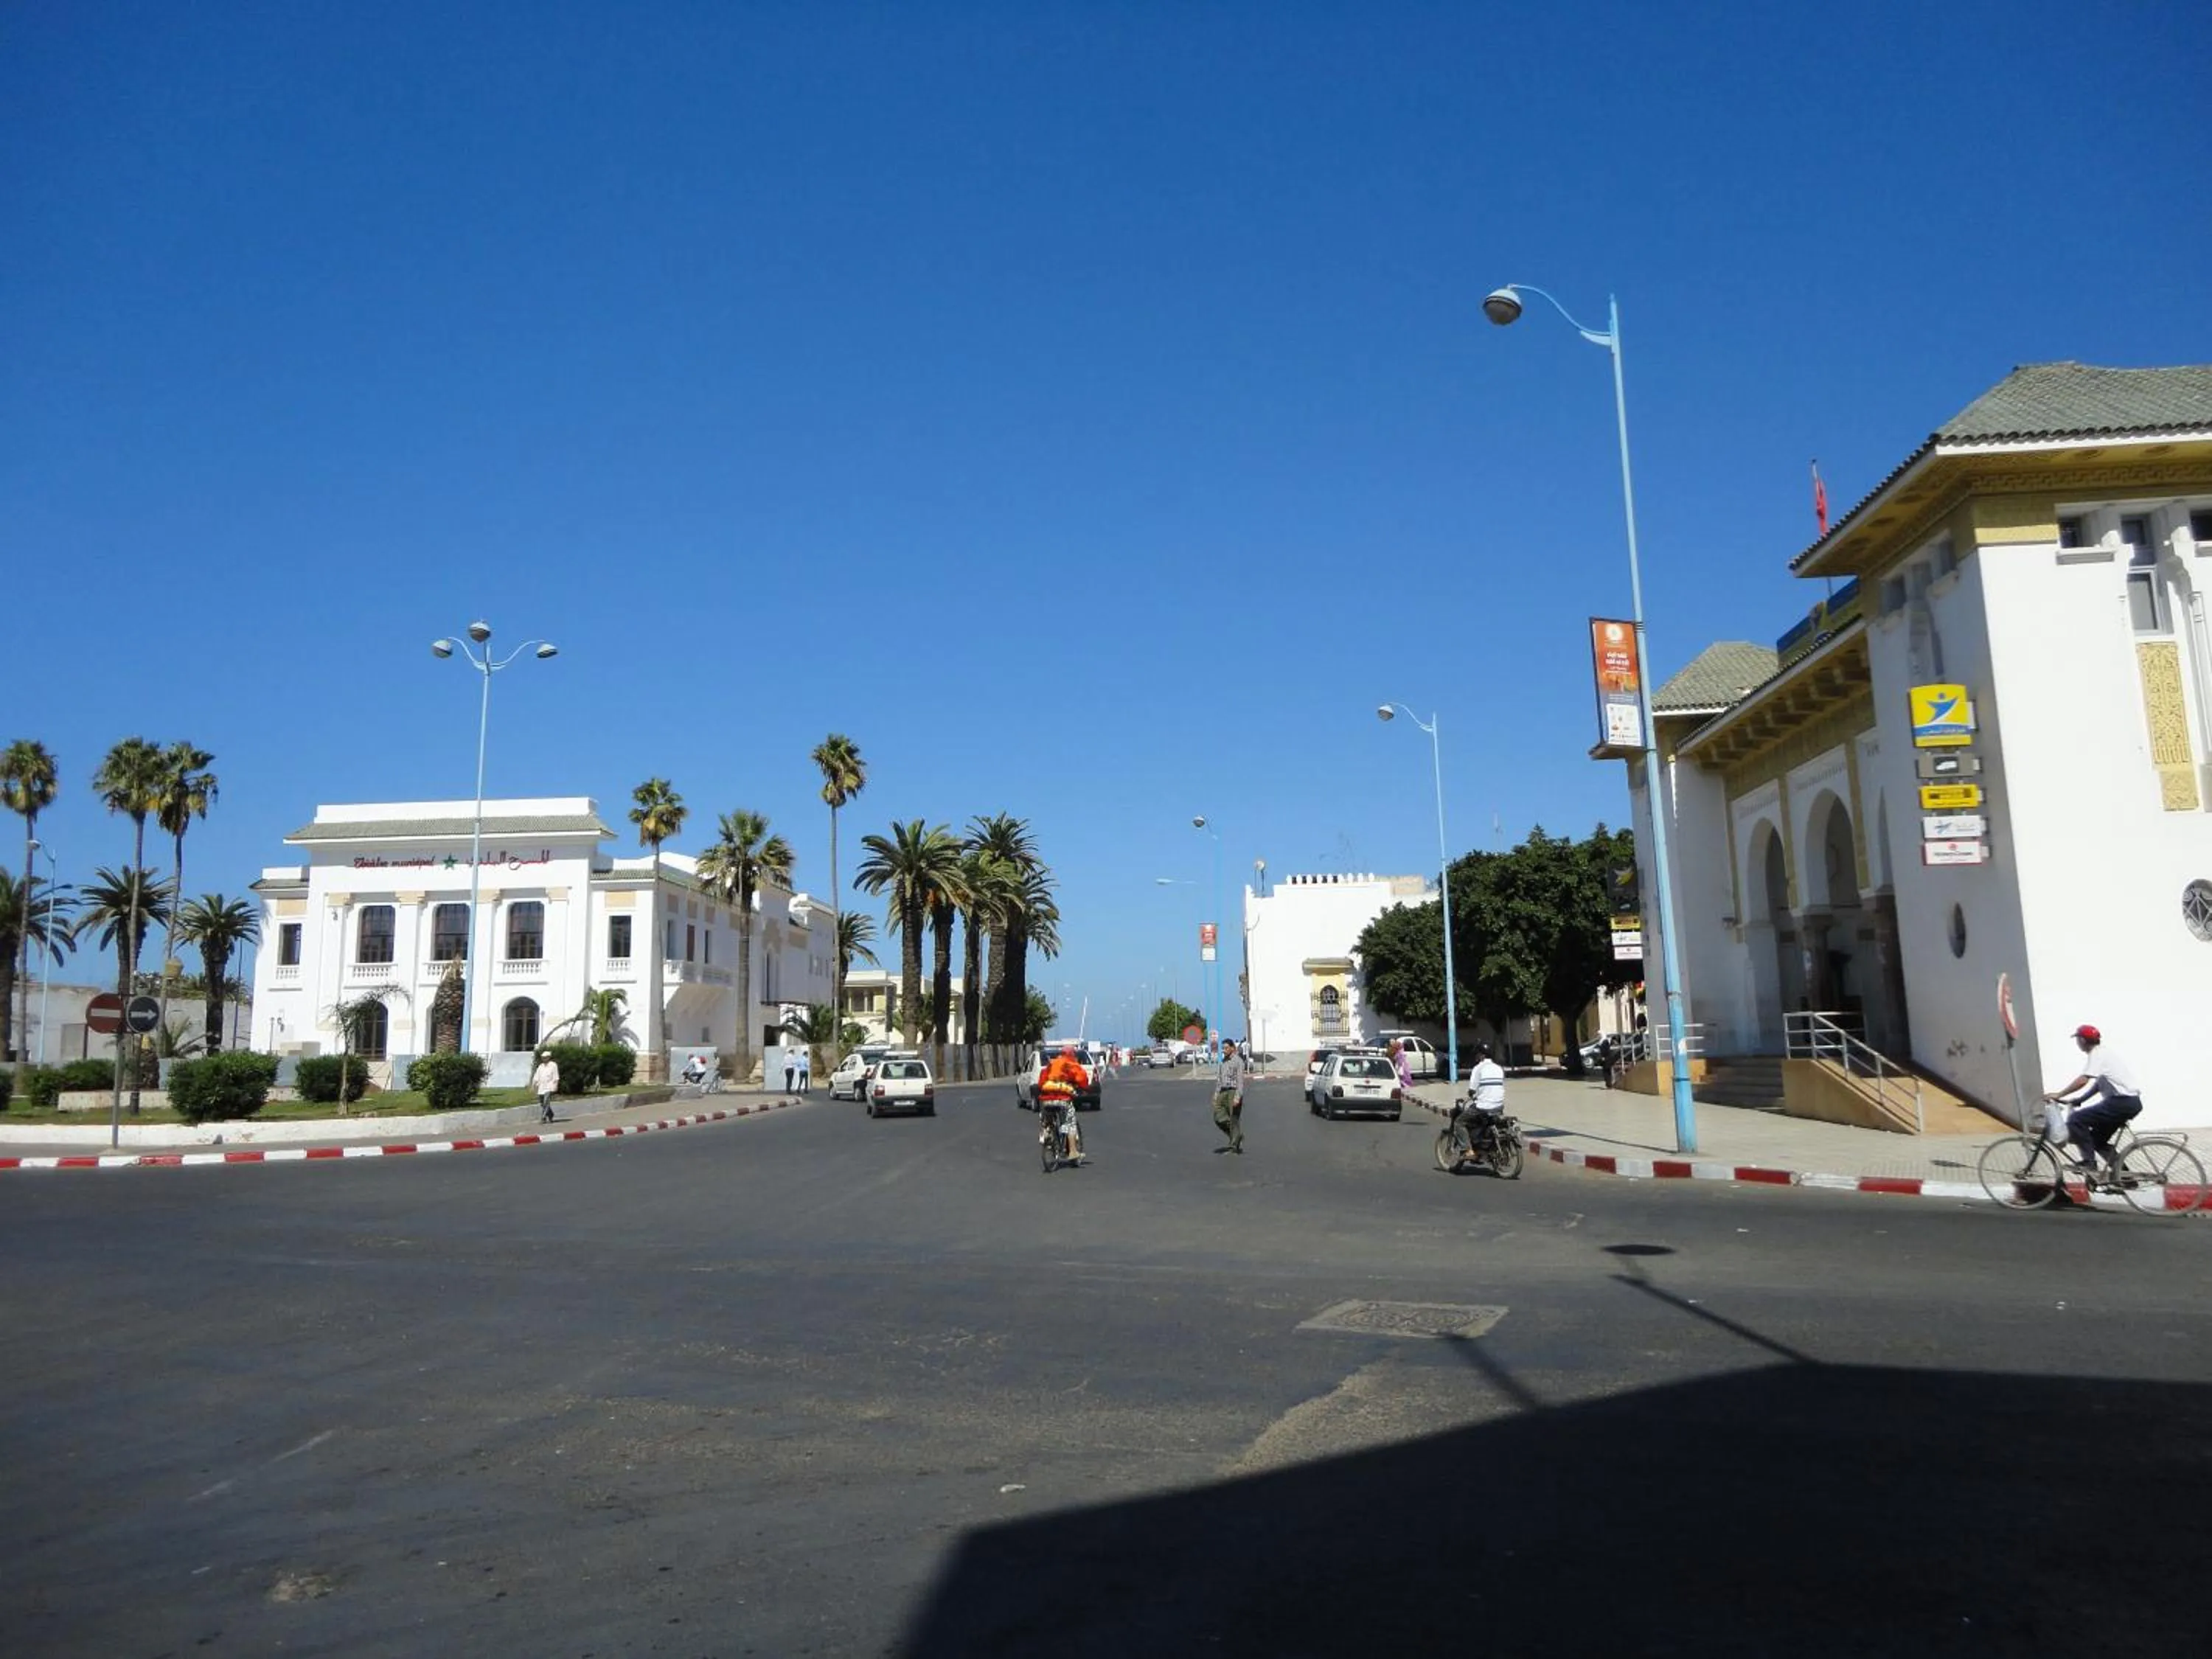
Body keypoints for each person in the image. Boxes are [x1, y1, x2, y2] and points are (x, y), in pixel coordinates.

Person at [2044, 1023, 2144, 1182]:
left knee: (2077, 1120)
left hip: (2121, 1102)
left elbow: (2084, 1080)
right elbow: (2099, 1084)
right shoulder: (2104, 1053)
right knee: (2098, 1141)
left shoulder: (2097, 1055)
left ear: (2082, 1040)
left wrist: (2059, 1094)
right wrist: (2080, 1100)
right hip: (2129, 1103)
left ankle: (2089, 1164)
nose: (2077, 1043)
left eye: (2077, 1039)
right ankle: (2126, 1178)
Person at [1037, 1043, 1089, 1164]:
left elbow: (1041, 1082)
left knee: (1047, 1117)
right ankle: (1073, 1152)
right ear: (1072, 1054)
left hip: (1046, 1099)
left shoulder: (1052, 1064)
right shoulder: (1071, 1064)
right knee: (1070, 1122)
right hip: (1063, 1098)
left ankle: (1047, 1133)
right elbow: (1082, 1080)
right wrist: (1085, 1089)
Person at [1212, 1038, 1248, 1154]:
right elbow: (1219, 1079)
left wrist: (1238, 1096)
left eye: (1226, 1048)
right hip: (1223, 1092)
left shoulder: (1238, 1061)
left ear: (1233, 1048)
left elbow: (1240, 1081)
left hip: (1233, 1091)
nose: (1224, 1050)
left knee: (1234, 1118)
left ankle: (1234, 1146)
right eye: (1223, 1048)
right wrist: (1216, 1094)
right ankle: (1237, 1136)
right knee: (1218, 1117)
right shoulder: (1223, 1061)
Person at [531, 1050, 560, 1123]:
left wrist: (556, 1085)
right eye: (543, 1058)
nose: (543, 1059)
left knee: (546, 1102)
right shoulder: (541, 1066)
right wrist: (534, 1084)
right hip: (541, 1087)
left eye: (545, 1057)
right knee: (542, 1103)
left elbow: (556, 1076)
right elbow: (537, 1076)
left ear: (548, 1058)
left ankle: (543, 1118)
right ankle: (550, 1114)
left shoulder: (553, 1065)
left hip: (549, 1086)